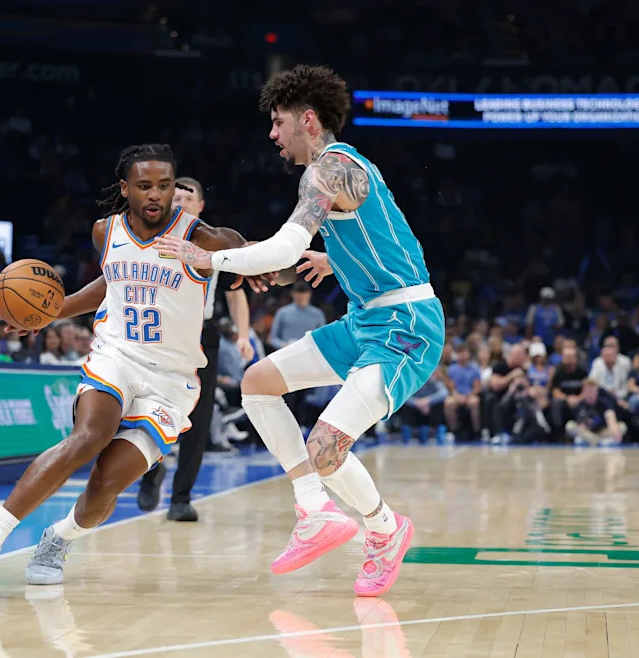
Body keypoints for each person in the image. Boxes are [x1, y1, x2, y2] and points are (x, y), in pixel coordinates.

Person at [156, 65, 445, 596]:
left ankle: (384, 531)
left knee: (327, 445)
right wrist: (336, 260)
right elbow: (383, 236)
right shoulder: (344, 170)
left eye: (277, 121)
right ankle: (313, 510)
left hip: (406, 325)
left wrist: (209, 258)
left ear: (307, 120)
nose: (271, 134)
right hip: (366, 318)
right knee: (257, 382)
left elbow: (286, 247)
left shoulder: (326, 171)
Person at [0, 144, 267, 584]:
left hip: (171, 382)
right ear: (125, 188)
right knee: (88, 436)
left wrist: (268, 263)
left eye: (165, 185)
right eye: (144, 186)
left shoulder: (199, 238)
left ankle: (59, 538)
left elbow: (260, 259)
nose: (156, 195)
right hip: (117, 354)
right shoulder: (106, 231)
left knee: (105, 484)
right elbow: (109, 282)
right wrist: (49, 313)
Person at [136, 176, 253, 522]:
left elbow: (236, 293)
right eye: (178, 196)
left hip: (202, 335)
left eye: (190, 197)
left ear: (201, 206)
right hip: (157, 335)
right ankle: (149, 471)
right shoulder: (148, 238)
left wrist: (243, 335)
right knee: (149, 410)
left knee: (198, 420)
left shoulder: (215, 242)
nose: (182, 201)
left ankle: (181, 498)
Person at [565, 379, 626, 446]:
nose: (591, 394)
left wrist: (615, 429)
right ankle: (599, 442)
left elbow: (610, 417)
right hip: (587, 432)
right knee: (569, 426)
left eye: (593, 391)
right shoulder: (579, 404)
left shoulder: (604, 403)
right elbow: (579, 424)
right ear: (583, 391)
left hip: (602, 431)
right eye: (588, 391)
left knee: (622, 426)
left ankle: (590, 441)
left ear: (597, 391)